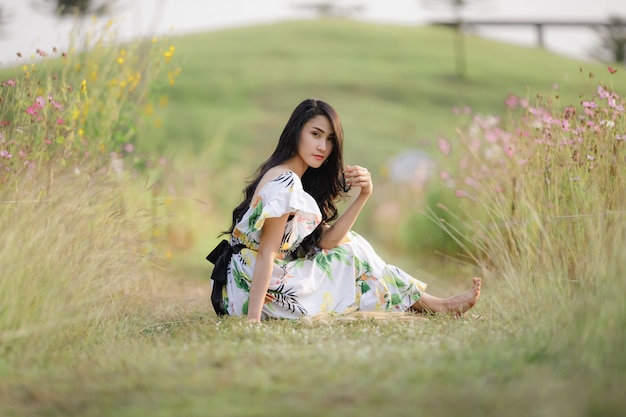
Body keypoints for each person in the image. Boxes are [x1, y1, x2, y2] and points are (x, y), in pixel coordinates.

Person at [214, 98, 481, 323]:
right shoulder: (286, 181)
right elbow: (265, 254)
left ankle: (434, 304)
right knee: (354, 251)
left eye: (330, 139)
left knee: (352, 244)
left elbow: (328, 241)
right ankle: (437, 305)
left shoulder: (287, 175)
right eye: (315, 134)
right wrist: (253, 320)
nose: (323, 147)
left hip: (244, 285)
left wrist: (364, 195)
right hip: (249, 288)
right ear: (296, 132)